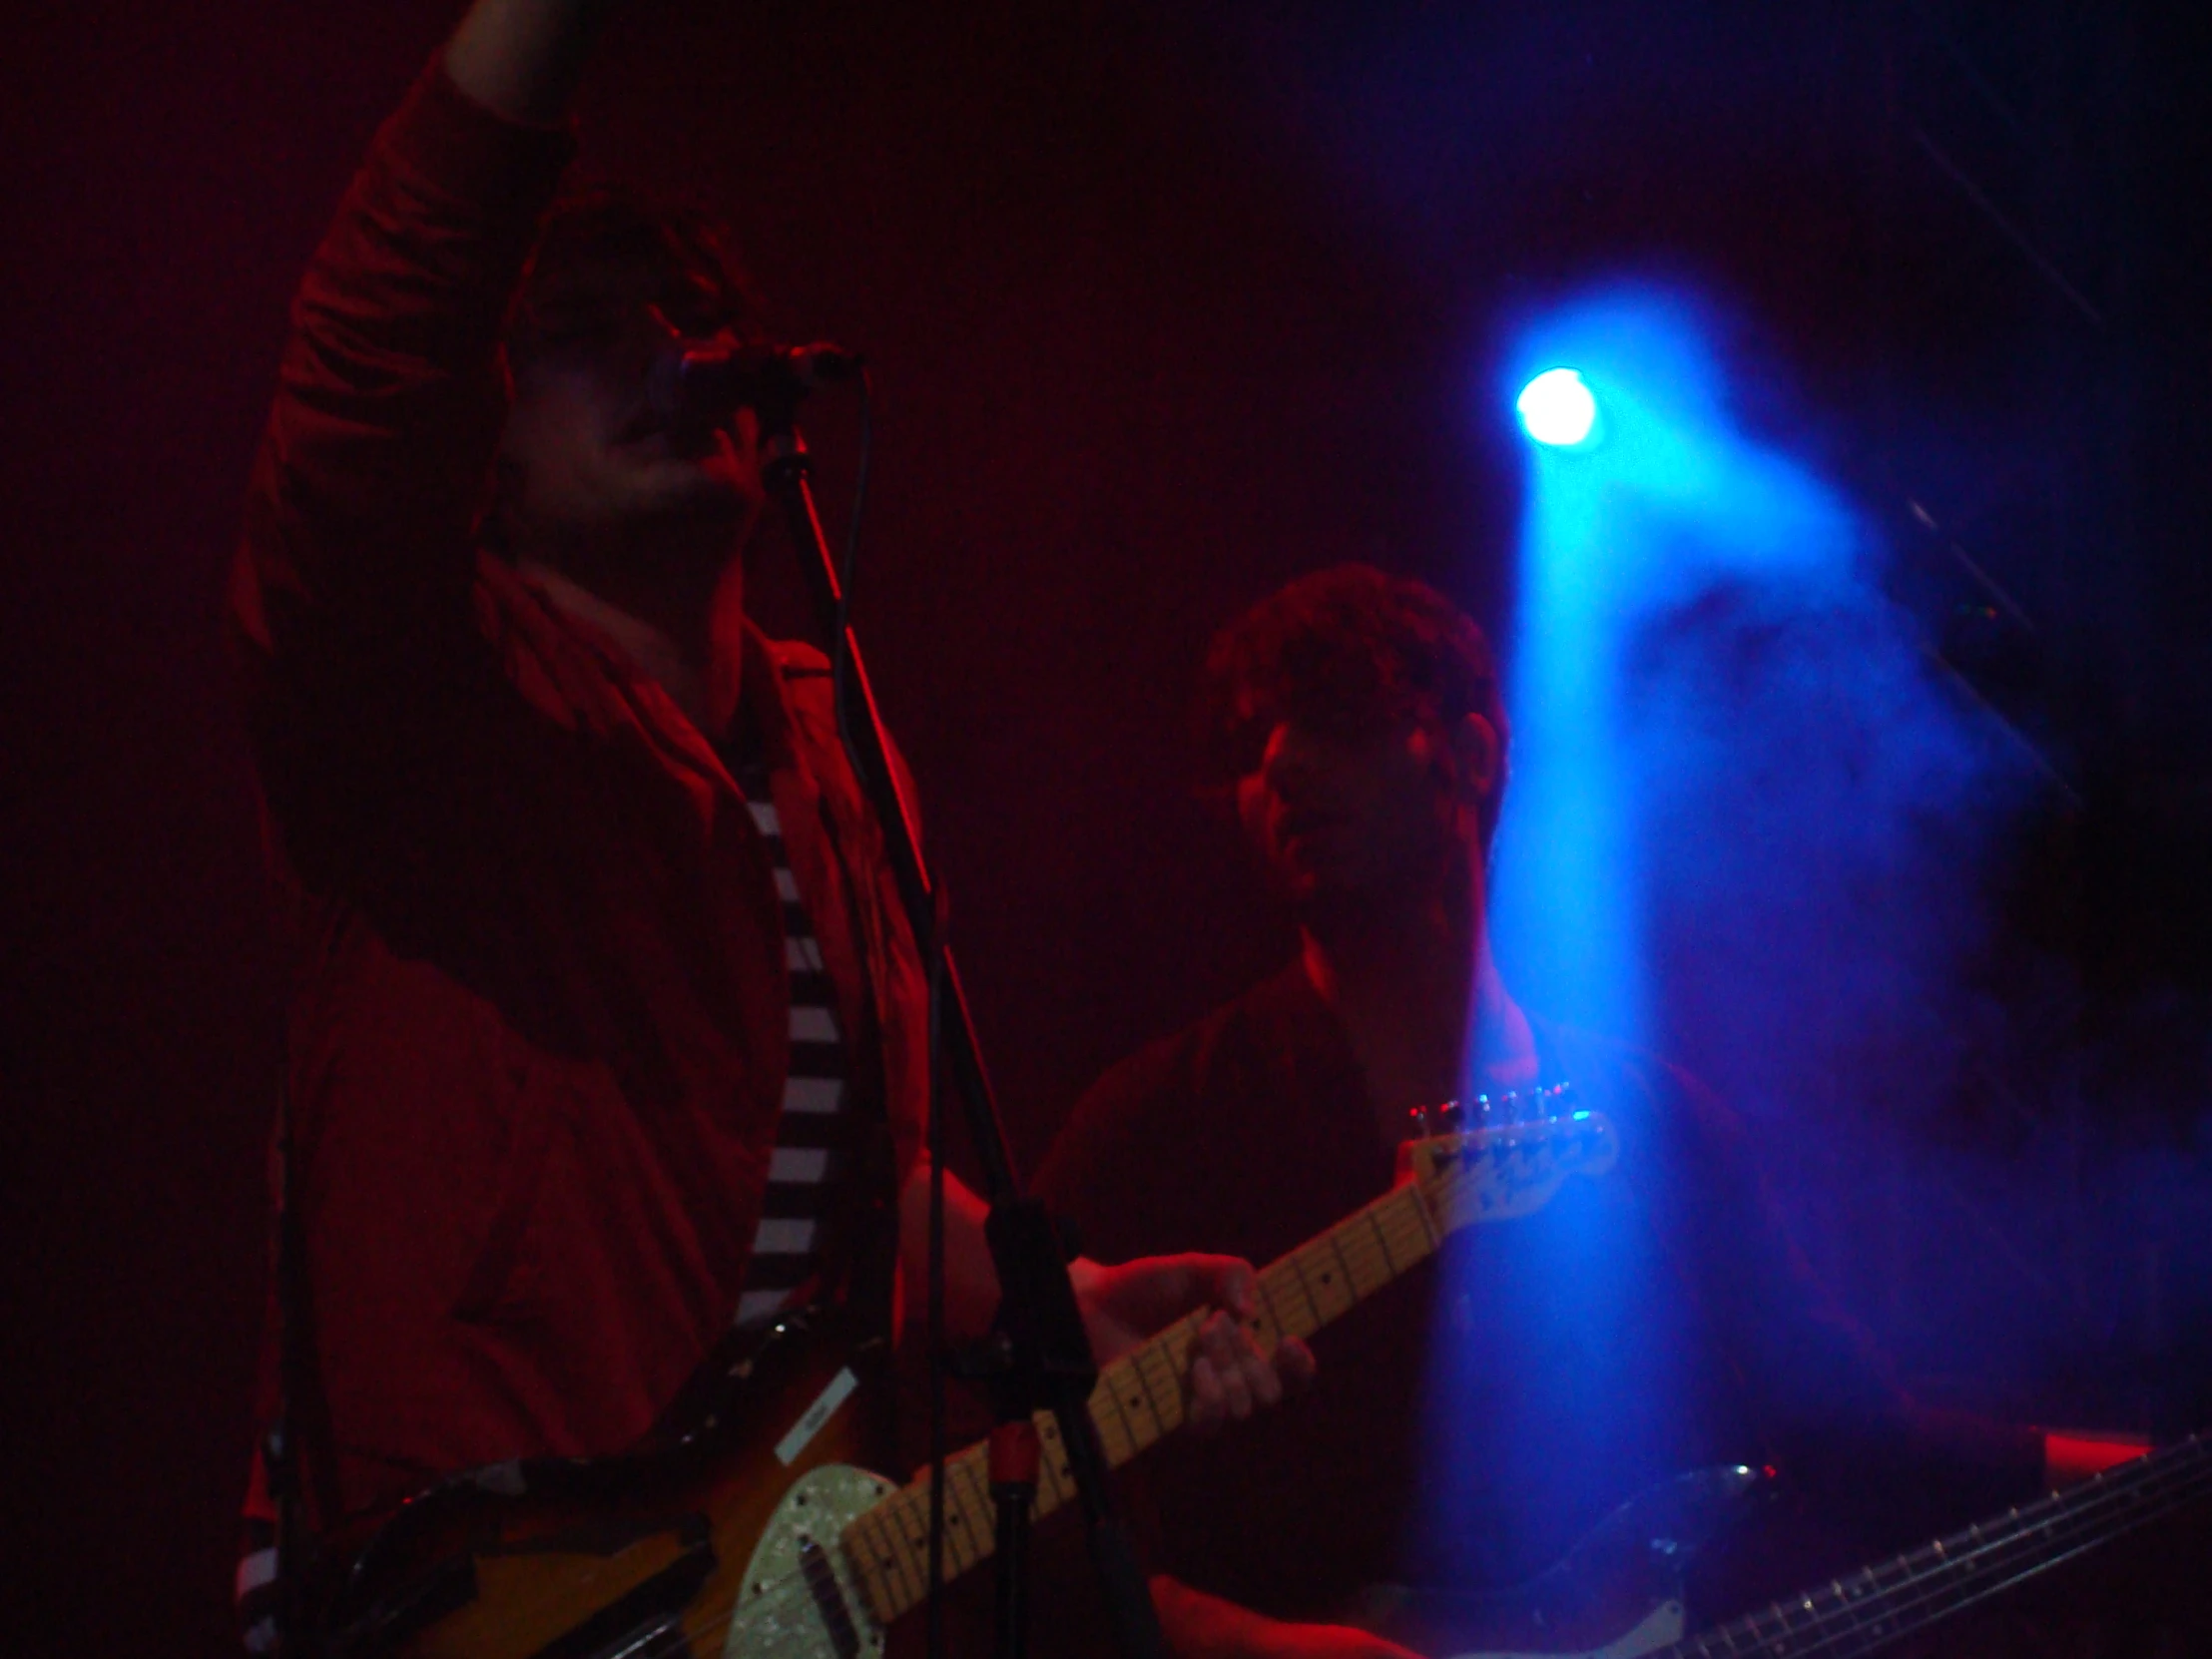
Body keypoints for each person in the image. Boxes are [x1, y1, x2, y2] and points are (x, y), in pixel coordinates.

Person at [227, 1, 1298, 1648]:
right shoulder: (421, 701)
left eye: (692, 315)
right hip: (481, 1591)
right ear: (484, 450)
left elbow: (832, 1173)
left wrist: (1063, 1301)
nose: (665, 348)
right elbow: (370, 367)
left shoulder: (829, 739)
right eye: (582, 331)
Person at [1033, 565, 2098, 1659]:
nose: (1281, 765)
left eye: (1336, 720)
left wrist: (2151, 1483)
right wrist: (1243, 1645)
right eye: (1250, 745)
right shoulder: (1153, 1128)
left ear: (1474, 755)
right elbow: (999, 1518)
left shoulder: (1637, 1117)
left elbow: (1841, 1441)